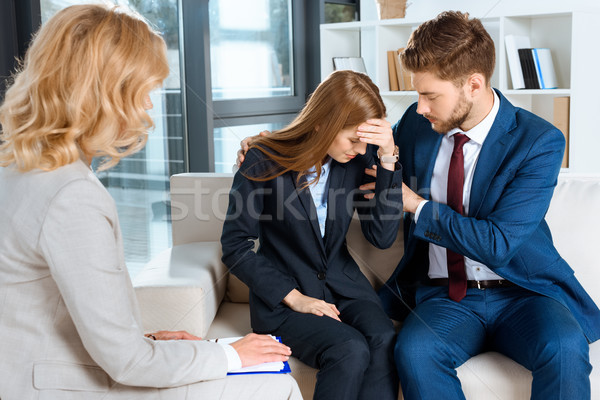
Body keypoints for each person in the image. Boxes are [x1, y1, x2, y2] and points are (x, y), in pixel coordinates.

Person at [0, 4, 301, 400]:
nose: (146, 106)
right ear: (105, 92)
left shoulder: (19, 168)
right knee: (277, 386)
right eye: (142, 91)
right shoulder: (71, 196)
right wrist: (228, 355)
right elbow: (127, 363)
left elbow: (55, 315)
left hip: (43, 368)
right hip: (68, 386)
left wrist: (164, 345)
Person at [364, 10, 599, 400]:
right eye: (417, 94)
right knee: (416, 351)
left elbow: (499, 243)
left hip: (524, 293)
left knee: (564, 349)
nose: (420, 106)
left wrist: (417, 206)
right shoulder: (419, 124)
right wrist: (276, 151)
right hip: (446, 295)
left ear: (473, 84)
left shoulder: (538, 141)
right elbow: (366, 155)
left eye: (430, 95)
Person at [221, 70, 402, 400]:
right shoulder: (262, 159)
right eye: (352, 139)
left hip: (346, 288)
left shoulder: (356, 162)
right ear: (322, 123)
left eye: (366, 141)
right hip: (286, 300)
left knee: (383, 337)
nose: (360, 149)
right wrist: (295, 297)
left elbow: (382, 236)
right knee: (350, 348)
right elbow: (235, 246)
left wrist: (388, 158)